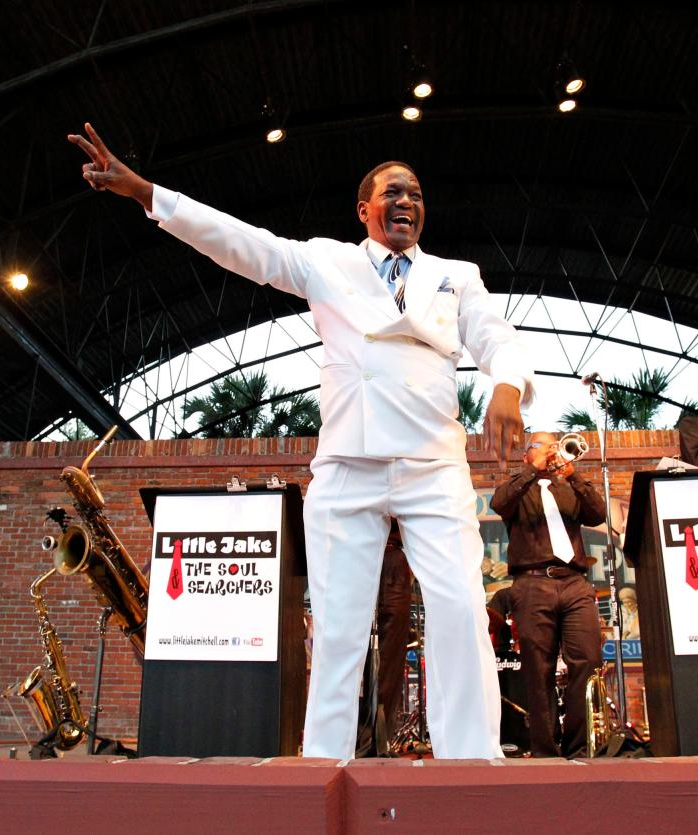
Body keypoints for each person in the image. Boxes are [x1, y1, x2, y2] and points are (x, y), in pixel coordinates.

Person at [69, 124, 534, 760]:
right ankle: (326, 764)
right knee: (341, 628)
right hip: (347, 466)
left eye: (417, 194)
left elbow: (496, 338)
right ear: (364, 209)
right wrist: (148, 194)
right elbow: (243, 245)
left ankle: (472, 763)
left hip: (433, 464)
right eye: (393, 192)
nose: (407, 202)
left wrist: (506, 385)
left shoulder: (457, 275)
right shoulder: (327, 260)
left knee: (459, 616)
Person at [489, 431, 604, 758]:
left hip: (574, 582)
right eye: (543, 445)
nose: (553, 451)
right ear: (527, 455)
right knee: (537, 669)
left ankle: (579, 747)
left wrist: (574, 474)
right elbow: (499, 503)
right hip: (532, 583)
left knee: (588, 660)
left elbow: (597, 514)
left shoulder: (568, 487)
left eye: (556, 445)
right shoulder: (517, 488)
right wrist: (532, 472)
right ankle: (546, 752)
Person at [356, 521, 412, 757]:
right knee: (356, 656)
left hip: (394, 558)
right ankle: (357, 737)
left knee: (390, 658)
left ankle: (382, 738)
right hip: (360, 554)